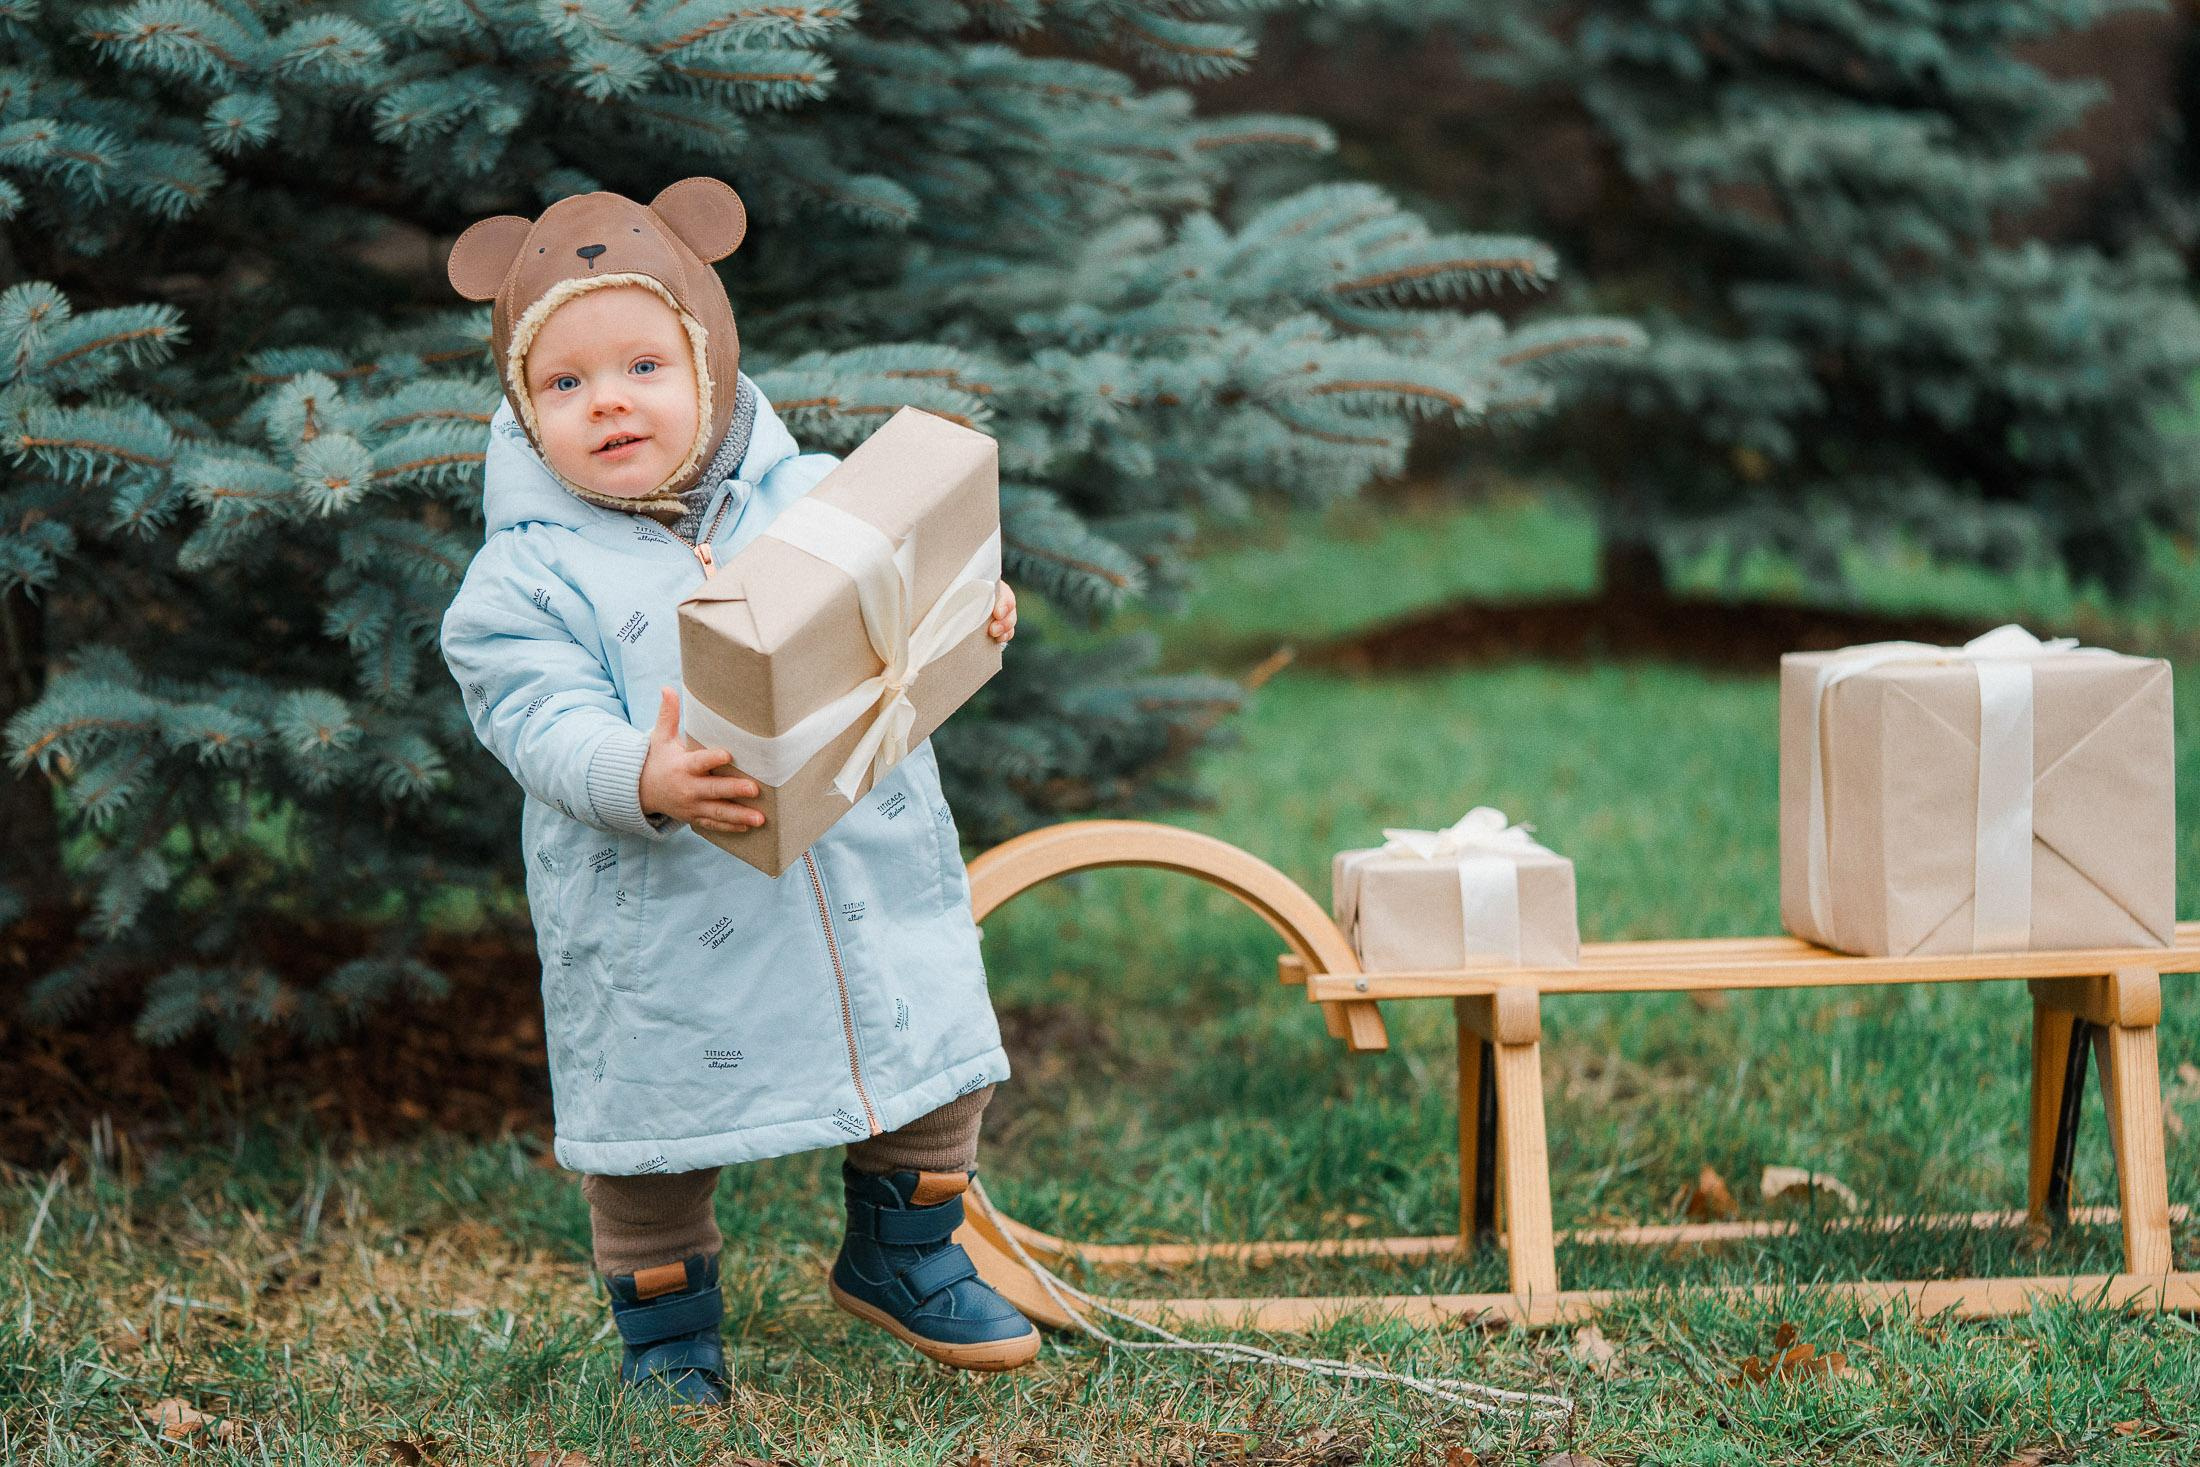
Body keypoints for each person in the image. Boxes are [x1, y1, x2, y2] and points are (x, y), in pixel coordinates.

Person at [438, 177, 1039, 1405]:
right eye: (565, 383)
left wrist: (967, 607)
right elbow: (535, 718)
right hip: (663, 906)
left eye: (645, 364)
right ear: (522, 407)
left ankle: (905, 1251)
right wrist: (637, 772)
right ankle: (668, 1337)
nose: (609, 399)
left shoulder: (817, 496)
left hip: (863, 856)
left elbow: (899, 585)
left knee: (927, 1053)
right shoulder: (523, 581)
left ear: (708, 368)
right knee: (652, 1130)